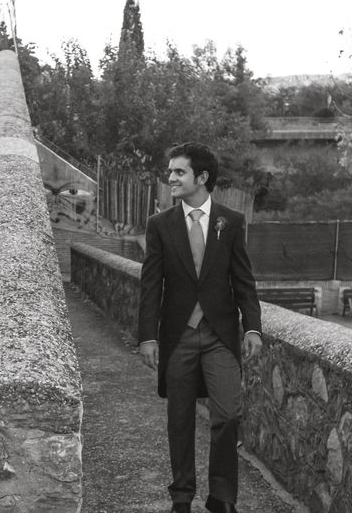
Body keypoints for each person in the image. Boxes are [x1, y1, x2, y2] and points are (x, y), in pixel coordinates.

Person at [137, 143, 262, 513]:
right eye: (170, 171)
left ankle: (221, 496)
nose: (171, 178)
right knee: (180, 419)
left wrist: (252, 328)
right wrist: (147, 335)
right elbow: (150, 285)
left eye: (179, 172)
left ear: (202, 178)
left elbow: (243, 282)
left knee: (228, 414)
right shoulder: (160, 226)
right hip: (178, 337)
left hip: (219, 335)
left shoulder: (231, 222)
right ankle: (181, 496)